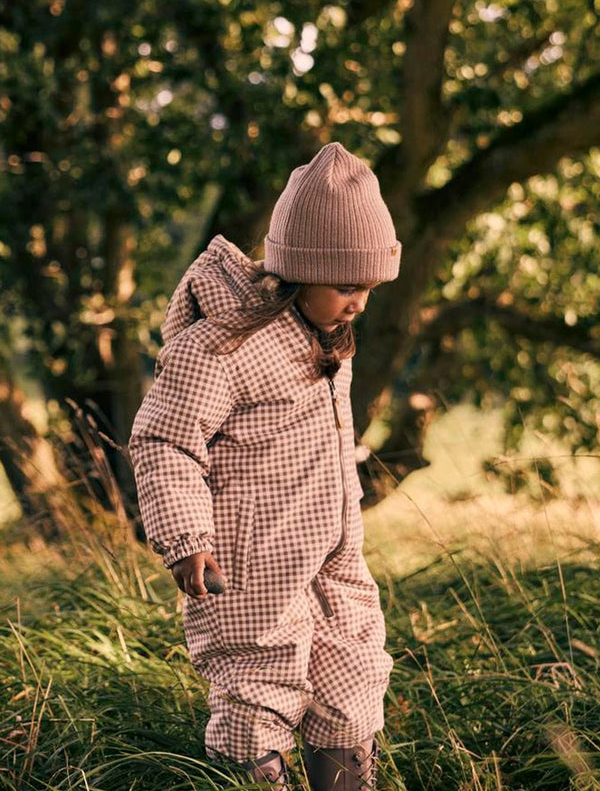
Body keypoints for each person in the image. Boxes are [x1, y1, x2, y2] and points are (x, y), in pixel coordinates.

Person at [129, 142, 401, 790]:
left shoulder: (329, 337)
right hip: (251, 558)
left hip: (335, 554)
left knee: (351, 680)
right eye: (345, 286)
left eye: (368, 288)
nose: (358, 302)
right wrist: (186, 540)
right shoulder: (221, 347)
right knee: (259, 688)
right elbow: (164, 442)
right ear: (299, 270)